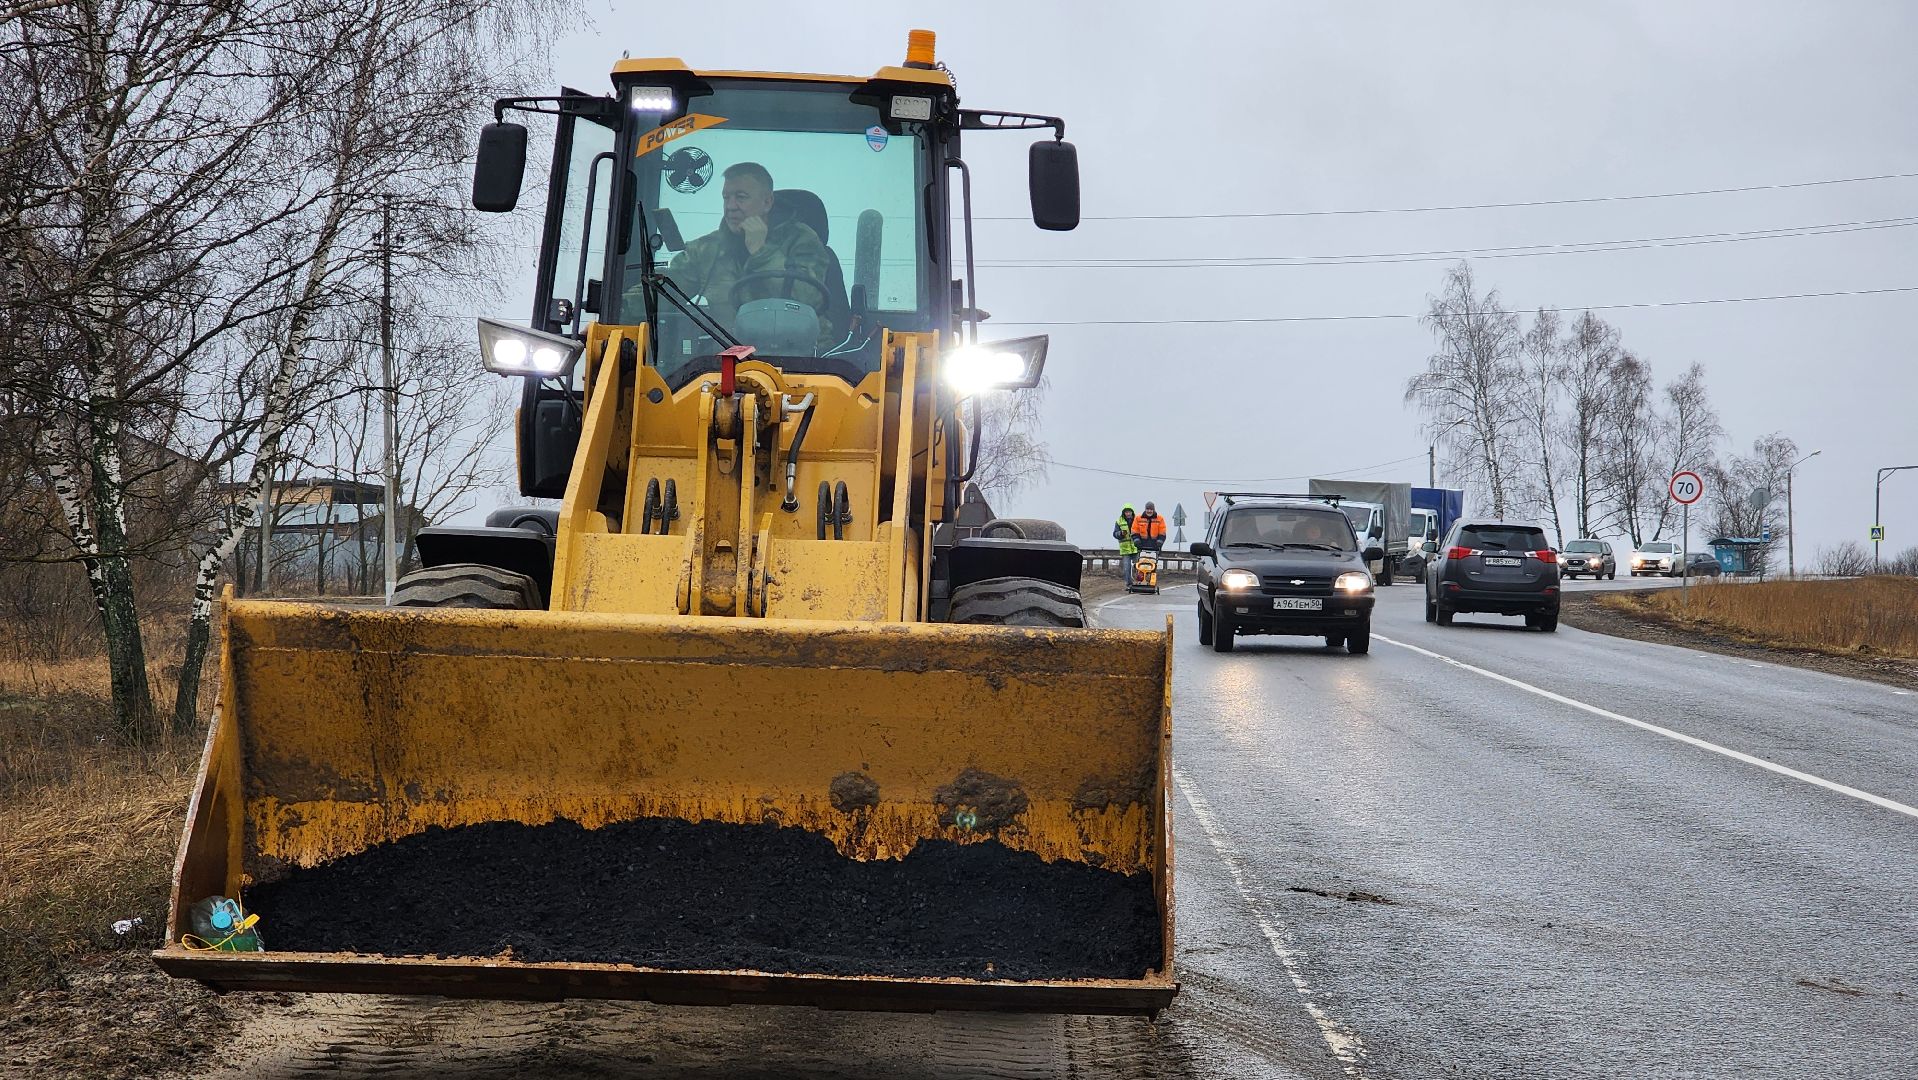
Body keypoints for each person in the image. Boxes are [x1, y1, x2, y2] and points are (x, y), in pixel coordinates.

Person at [660, 161, 838, 347]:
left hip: (804, 362)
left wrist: (762, 253)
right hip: (724, 365)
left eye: (741, 197)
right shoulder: (706, 249)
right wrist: (627, 305)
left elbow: (807, 299)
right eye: (726, 198)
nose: (730, 206)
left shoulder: (803, 240)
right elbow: (663, 292)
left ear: (767, 202)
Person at [1113, 505, 1139, 583]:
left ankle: (1139, 581)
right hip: (1125, 549)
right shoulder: (1119, 521)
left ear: (1132, 512)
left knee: (1138, 566)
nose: (1128, 513)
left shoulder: (1137, 520)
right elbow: (1115, 534)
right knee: (1127, 568)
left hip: (1135, 547)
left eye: (1129, 512)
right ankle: (1129, 584)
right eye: (1126, 512)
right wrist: (1120, 533)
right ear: (1124, 512)